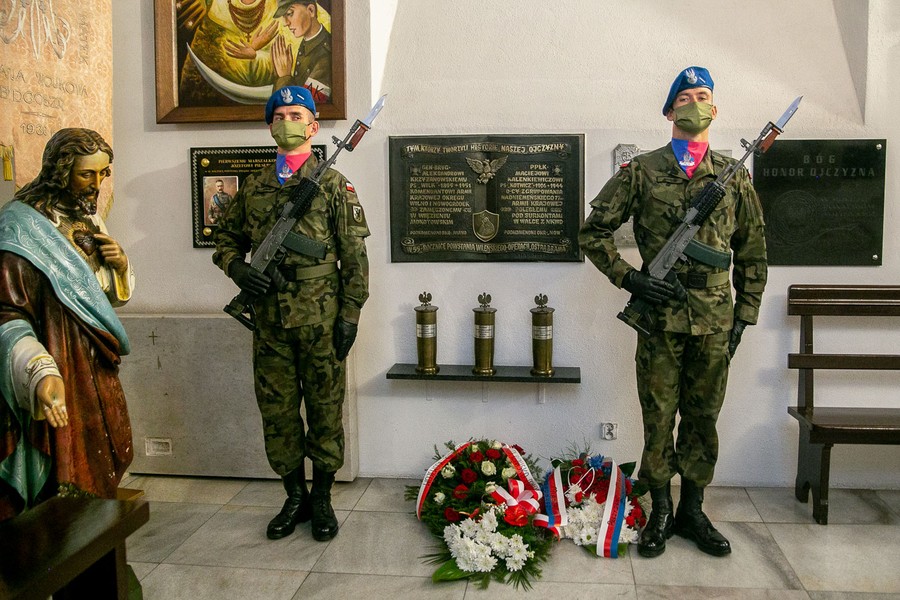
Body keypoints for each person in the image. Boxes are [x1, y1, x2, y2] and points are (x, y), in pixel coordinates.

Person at [578, 66, 767, 558]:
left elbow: (753, 252)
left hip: (715, 318)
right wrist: (630, 278)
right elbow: (592, 233)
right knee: (659, 415)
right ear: (669, 111)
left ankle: (693, 511)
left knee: (703, 417)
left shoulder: (734, 176)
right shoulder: (641, 171)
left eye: (703, 96)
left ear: (714, 109)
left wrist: (744, 317)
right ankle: (661, 509)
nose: (695, 104)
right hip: (660, 317)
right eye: (685, 98)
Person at [212, 85, 369, 541]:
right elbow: (226, 240)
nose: (287, 122)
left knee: (325, 409)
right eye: (279, 116)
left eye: (296, 115)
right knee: (277, 412)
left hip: (321, 319)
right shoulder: (254, 186)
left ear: (313, 126)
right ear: (269, 127)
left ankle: (322, 497)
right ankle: (294, 495)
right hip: (269, 322)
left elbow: (354, 257)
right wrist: (238, 268)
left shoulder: (333, 184)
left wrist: (350, 314)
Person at [0, 128, 135, 520]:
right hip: (56, 361)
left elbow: (97, 298)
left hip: (94, 361)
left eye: (103, 174)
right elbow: (8, 315)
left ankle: (98, 536)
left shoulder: (86, 216)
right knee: (65, 469)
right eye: (86, 175)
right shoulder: (20, 229)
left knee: (102, 454)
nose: (96, 185)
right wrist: (39, 372)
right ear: (60, 171)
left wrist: (119, 266)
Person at [271, 0, 332, 103]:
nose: (285, 23)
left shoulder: (326, 53)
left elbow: (308, 104)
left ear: (311, 10)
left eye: (290, 14)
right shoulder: (308, 42)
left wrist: (284, 77)